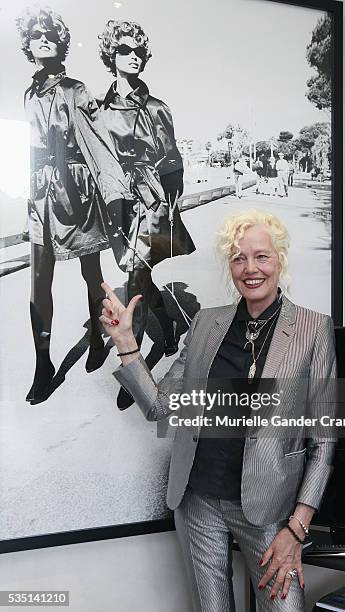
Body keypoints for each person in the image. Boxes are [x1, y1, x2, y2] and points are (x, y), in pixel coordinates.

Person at [99, 209, 337, 611]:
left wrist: (296, 529)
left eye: (261, 256)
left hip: (267, 509)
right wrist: (126, 343)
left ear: (279, 258)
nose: (250, 268)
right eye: (239, 258)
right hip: (198, 500)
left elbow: (324, 441)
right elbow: (160, 407)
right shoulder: (206, 324)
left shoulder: (314, 329)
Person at [16, 7, 131, 404]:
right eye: (36, 35)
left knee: (91, 273)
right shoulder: (28, 93)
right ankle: (43, 363)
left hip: (76, 192)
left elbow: (100, 143)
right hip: (39, 193)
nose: (43, 39)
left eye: (50, 34)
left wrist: (117, 194)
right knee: (37, 282)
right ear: (28, 44)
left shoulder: (76, 89)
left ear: (60, 42)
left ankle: (99, 341)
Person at [98, 20, 195, 409]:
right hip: (117, 203)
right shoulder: (98, 110)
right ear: (112, 55)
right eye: (125, 50)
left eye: (139, 51)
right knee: (141, 278)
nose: (133, 57)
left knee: (135, 279)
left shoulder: (158, 108)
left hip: (151, 205)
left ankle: (133, 370)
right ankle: (169, 330)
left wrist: (171, 202)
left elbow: (173, 161)